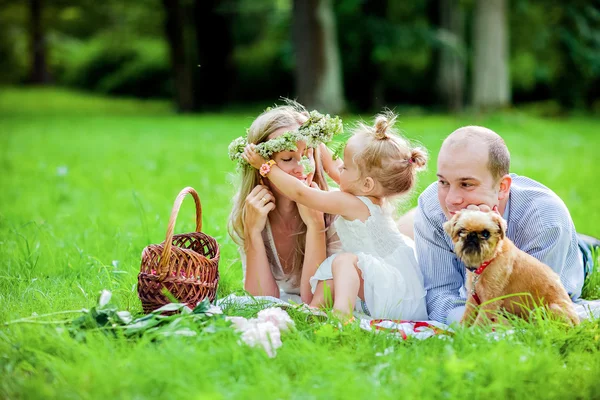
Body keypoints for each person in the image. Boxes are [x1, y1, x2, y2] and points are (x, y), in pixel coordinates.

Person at [243, 112, 428, 320]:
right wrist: (313, 135)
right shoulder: (366, 191)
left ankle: (342, 316)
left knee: (343, 262)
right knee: (330, 273)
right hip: (380, 281)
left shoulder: (350, 202)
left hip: (394, 290)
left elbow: (301, 193)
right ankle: (314, 310)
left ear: (366, 183)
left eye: (345, 167)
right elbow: (331, 165)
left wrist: (266, 167)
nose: (338, 168)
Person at [415, 125, 598, 324]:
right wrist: (466, 326)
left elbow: (532, 309)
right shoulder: (432, 204)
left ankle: (588, 244)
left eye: (466, 184)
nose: (451, 199)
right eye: (443, 182)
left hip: (569, 255)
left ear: (502, 187)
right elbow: (438, 294)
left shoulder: (545, 218)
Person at [228, 104, 342, 304]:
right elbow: (261, 301)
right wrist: (252, 234)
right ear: (260, 168)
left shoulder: (334, 209)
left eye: (307, 155)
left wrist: (316, 227)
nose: (302, 169)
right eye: (288, 158)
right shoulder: (253, 208)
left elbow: (314, 302)